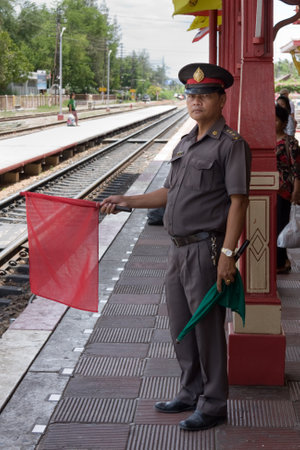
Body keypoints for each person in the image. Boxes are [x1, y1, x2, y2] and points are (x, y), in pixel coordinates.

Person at [100, 63, 251, 431]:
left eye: (204, 96)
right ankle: (190, 390)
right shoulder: (185, 143)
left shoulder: (231, 145)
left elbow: (239, 202)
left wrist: (228, 256)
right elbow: (169, 192)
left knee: (207, 329)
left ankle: (214, 403)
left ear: (221, 99)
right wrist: (127, 200)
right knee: (181, 325)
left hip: (207, 249)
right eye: (190, 95)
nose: (195, 102)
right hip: (178, 250)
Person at [275, 103, 300, 273]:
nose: (272, 123)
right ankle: (279, 260)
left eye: (276, 120)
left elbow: (297, 169)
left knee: (280, 226)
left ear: (284, 123)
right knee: (272, 226)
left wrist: (297, 191)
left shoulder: (290, 142)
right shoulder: (265, 140)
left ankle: (281, 262)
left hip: (283, 191)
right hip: (269, 189)